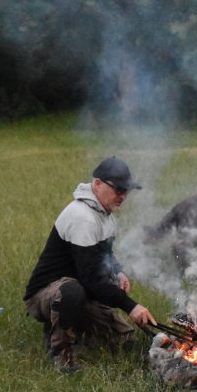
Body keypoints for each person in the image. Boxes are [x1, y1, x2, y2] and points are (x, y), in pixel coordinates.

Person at [25, 156, 157, 373]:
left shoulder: (106, 216)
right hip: (46, 295)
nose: (123, 196)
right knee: (71, 290)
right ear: (97, 184)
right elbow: (91, 278)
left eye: (127, 191)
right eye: (118, 189)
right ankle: (60, 350)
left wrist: (118, 271)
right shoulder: (82, 217)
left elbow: (104, 255)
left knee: (126, 342)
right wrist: (130, 306)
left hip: (82, 293)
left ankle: (77, 330)